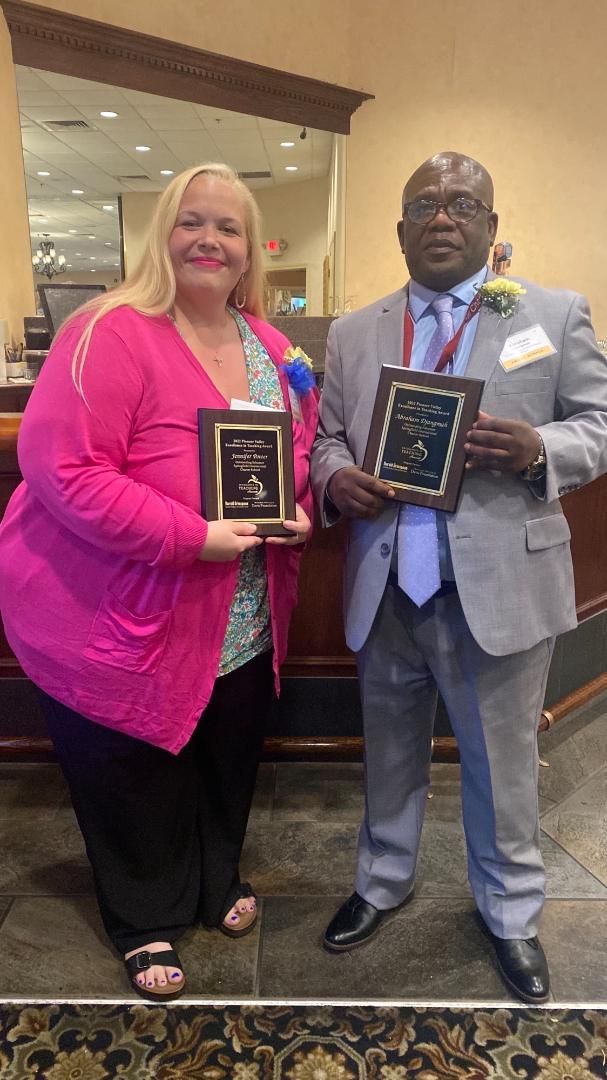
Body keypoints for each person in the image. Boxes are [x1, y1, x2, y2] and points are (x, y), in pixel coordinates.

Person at [0, 163, 318, 1000]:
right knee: (129, 770)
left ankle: (215, 879)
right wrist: (191, 535)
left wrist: (301, 510)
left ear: (250, 251)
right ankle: (144, 917)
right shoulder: (112, 330)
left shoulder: (276, 349)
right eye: (190, 222)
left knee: (224, 757)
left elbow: (293, 461)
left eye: (228, 227)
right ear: (161, 235)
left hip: (242, 614)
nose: (208, 240)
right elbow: (63, 468)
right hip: (120, 613)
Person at [310, 151, 607, 1003]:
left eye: (462, 203)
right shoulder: (355, 331)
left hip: (500, 591)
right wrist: (334, 477)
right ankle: (380, 881)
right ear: (399, 229)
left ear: (489, 226)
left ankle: (510, 913)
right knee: (390, 755)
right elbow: (327, 436)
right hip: (387, 585)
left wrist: (540, 449)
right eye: (425, 204)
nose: (443, 216)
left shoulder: (550, 313)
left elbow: (598, 423)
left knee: (502, 765)